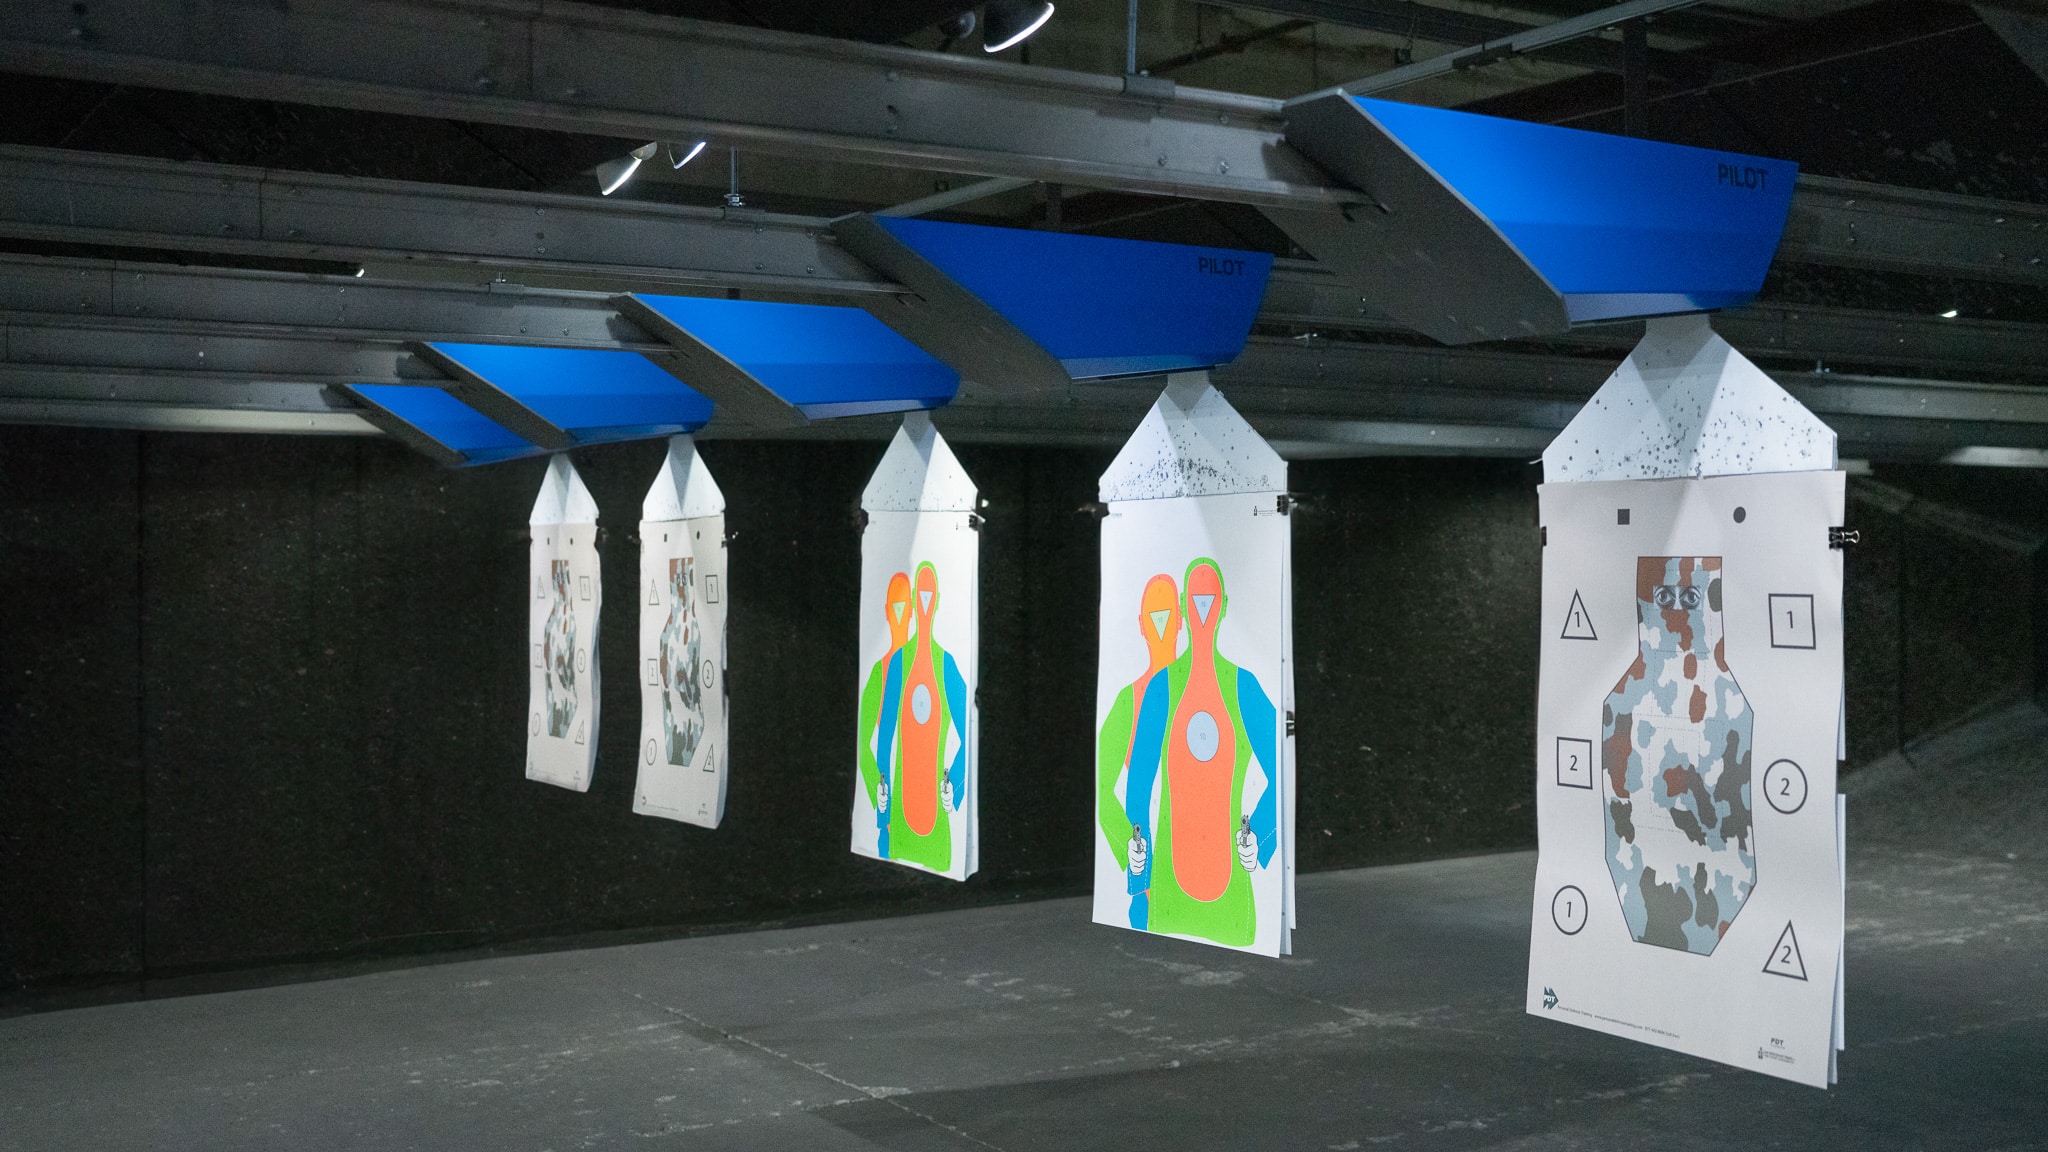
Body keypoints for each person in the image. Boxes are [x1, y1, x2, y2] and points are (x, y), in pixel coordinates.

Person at [1121, 558, 1278, 947]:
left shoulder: (1244, 688)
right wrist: (1138, 866)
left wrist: (1259, 834)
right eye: (1195, 601)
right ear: (1184, 608)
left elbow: (1283, 767)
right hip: (1167, 892)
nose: (1203, 610)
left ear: (1222, 605)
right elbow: (1138, 783)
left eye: (1208, 601)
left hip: (1231, 894)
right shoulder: (1163, 688)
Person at [869, 562, 969, 872]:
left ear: (935, 602)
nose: (923, 606)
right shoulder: (899, 662)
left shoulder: (946, 665)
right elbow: (885, 733)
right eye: (919, 598)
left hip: (936, 811)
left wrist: (957, 784)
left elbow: (969, 729)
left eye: (929, 597)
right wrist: (881, 799)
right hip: (899, 807)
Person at [1096, 573, 1182, 929]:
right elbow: (1103, 794)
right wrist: (1138, 871)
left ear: (1180, 621)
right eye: (1153, 617)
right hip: (1150, 896)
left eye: (1166, 616)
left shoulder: (1203, 693)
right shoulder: (1127, 703)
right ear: (1141, 625)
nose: (1160, 628)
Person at [856, 571, 912, 858]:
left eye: (905, 608)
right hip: (890, 815)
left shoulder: (927, 665)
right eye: (895, 608)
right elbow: (864, 743)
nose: (900, 616)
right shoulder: (880, 672)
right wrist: (880, 798)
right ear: (887, 612)